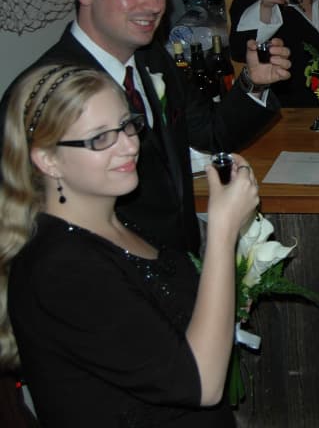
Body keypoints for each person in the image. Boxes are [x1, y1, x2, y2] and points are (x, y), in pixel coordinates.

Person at [0, 0, 289, 254]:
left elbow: (210, 134)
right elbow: (27, 224)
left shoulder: (153, 58)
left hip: (178, 266)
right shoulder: (43, 92)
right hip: (109, 282)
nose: (153, 5)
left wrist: (252, 83)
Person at [1, 64, 260, 426]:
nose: (129, 145)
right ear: (47, 159)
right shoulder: (60, 269)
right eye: (99, 138)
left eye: (127, 124)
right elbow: (201, 384)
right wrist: (222, 230)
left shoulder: (116, 223)